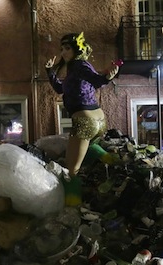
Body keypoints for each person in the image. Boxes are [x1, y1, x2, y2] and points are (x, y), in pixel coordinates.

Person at [45, 32, 119, 206]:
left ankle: (72, 208)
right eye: (62, 49)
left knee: (72, 172)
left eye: (67, 48)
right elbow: (60, 89)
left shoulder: (79, 65)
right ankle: (113, 163)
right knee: (90, 146)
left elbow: (96, 80)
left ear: (77, 49)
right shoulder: (73, 70)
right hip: (98, 122)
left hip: (86, 122)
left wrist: (106, 77)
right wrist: (49, 71)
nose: (63, 52)